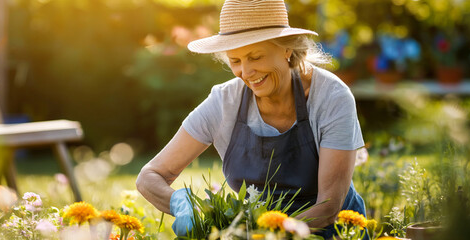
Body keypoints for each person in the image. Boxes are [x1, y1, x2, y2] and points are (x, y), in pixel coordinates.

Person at [136, 0, 367, 238]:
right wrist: (179, 203)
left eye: (255, 57)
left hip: (332, 233)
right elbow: (149, 176)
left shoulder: (331, 97)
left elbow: (328, 206)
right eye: (235, 61)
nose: (245, 73)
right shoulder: (224, 102)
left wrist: (268, 235)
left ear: (287, 48)